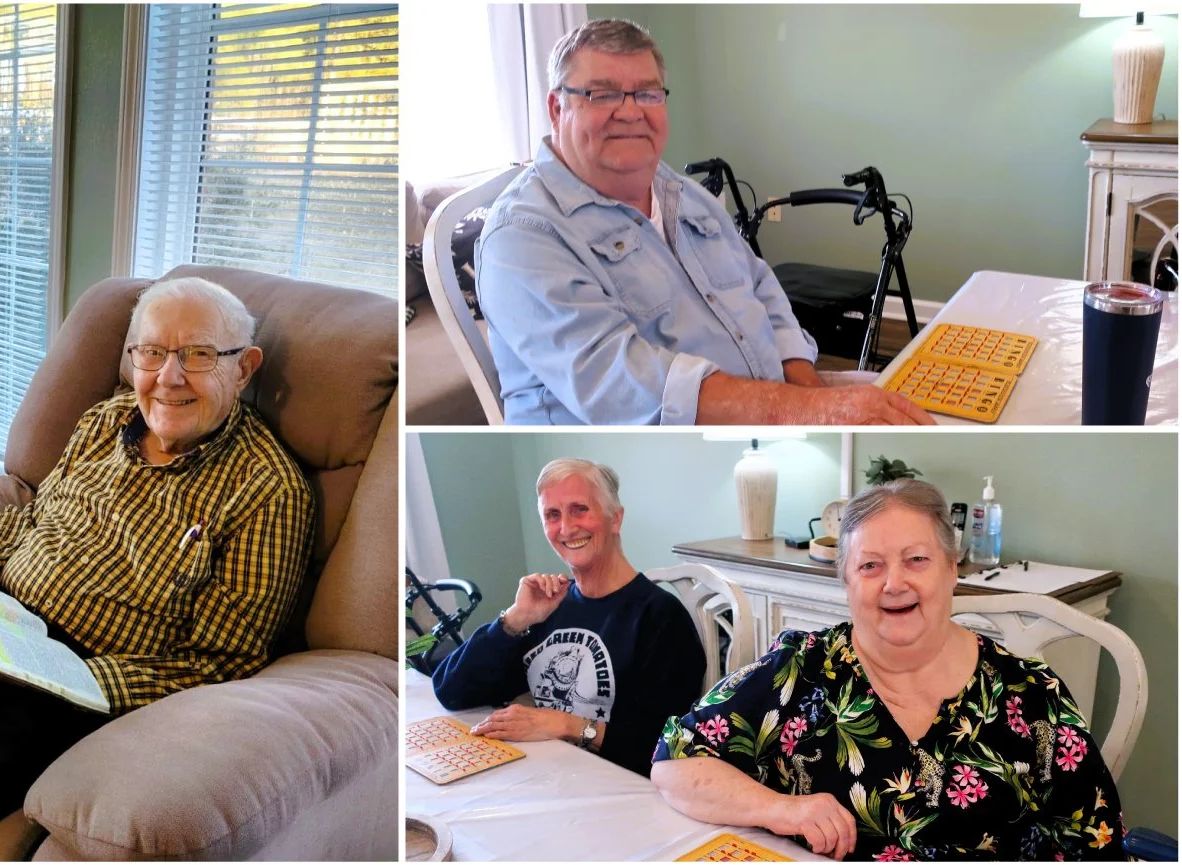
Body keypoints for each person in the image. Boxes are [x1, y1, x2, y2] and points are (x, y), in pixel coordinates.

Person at [0, 276, 315, 860]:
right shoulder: (105, 420)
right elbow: (31, 514)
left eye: (197, 355)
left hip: (59, 694)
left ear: (243, 369)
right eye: (152, 352)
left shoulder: (267, 489)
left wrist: (48, 675)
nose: (168, 378)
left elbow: (222, 661)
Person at [475, 19, 934, 427]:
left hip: (775, 403)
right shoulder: (523, 239)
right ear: (558, 108)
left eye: (648, 93)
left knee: (944, 397)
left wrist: (808, 391)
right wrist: (809, 411)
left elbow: (756, 283)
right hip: (671, 440)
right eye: (603, 93)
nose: (631, 111)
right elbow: (625, 388)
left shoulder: (676, 189)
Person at [651, 479, 1126, 861]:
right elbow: (675, 764)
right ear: (847, 582)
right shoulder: (801, 668)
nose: (894, 584)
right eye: (870, 566)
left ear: (950, 569)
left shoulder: (1031, 693)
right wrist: (783, 809)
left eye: (916, 560)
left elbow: (1094, 842)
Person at [432, 458, 705, 776]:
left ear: (615, 519)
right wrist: (515, 620)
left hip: (621, 793)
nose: (566, 528)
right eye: (552, 515)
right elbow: (452, 691)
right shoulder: (547, 607)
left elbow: (665, 747)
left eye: (580, 509)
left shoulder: (660, 617)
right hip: (545, 776)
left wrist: (562, 724)